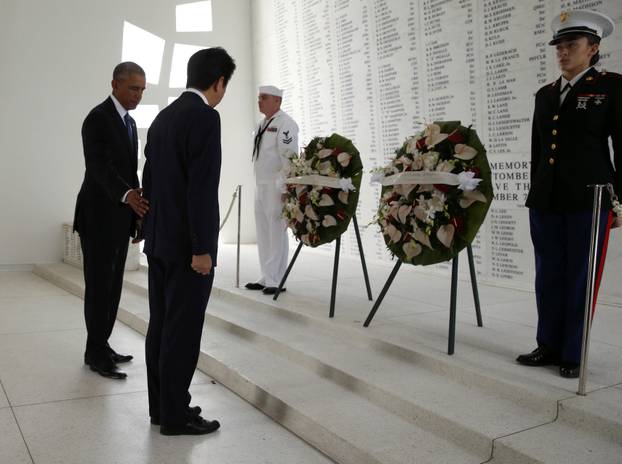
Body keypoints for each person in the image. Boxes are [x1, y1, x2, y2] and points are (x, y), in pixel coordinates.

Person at [518, 10, 621, 378]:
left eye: (571, 45)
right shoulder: (545, 95)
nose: (563, 52)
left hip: (589, 200)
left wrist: (619, 201)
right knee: (547, 275)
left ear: (592, 49)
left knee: (580, 275)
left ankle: (573, 353)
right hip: (546, 200)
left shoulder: (612, 87)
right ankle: (547, 344)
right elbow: (537, 151)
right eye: (559, 46)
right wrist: (535, 190)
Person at [141, 47, 236, 436]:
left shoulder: (163, 117)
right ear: (218, 82)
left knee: (161, 325)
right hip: (187, 249)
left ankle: (162, 408)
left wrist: (148, 232)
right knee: (182, 331)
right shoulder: (204, 117)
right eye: (224, 85)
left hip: (160, 242)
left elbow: (150, 179)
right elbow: (200, 189)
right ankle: (177, 416)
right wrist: (202, 249)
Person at [73, 62, 149, 380]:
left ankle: (102, 344)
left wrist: (134, 216)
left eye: (142, 90)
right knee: (99, 288)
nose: (138, 96)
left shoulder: (129, 123)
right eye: (133, 89)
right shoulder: (98, 118)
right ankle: (95, 353)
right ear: (115, 84)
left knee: (114, 287)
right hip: (97, 218)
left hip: (118, 218)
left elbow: (129, 173)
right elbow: (98, 167)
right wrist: (127, 195)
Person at [245, 85, 299, 295]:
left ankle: (277, 278)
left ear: (277, 101)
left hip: (276, 186)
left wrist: (287, 186)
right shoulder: (262, 124)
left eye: (264, 98)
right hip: (261, 185)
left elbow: (289, 157)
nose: (259, 101)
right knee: (263, 230)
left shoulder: (286, 124)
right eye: (259, 97)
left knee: (276, 230)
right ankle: (266, 274)